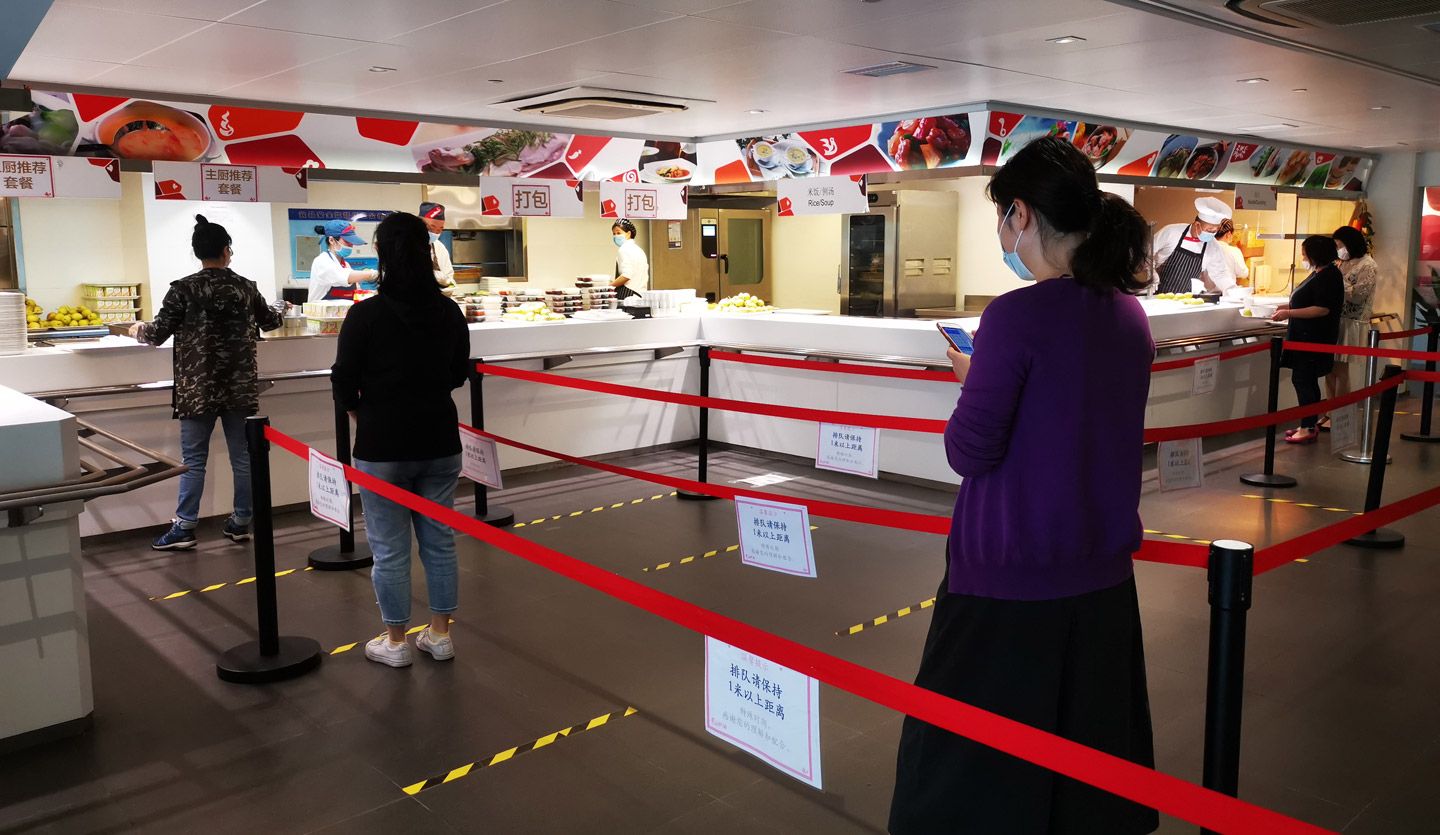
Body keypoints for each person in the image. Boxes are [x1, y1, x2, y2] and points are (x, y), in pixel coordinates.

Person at [889, 137, 1158, 835]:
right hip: (1100, 575)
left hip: (1007, 573)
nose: (1004, 233)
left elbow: (969, 450)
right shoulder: (1128, 314)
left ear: (1021, 214)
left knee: (973, 759)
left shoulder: (1013, 318)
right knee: (1084, 754)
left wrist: (972, 379)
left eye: (1004, 217)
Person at [331, 211, 469, 668]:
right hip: (439, 439)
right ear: (427, 252)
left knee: (389, 548)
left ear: (383, 254)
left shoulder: (365, 314)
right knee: (440, 540)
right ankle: (441, 635)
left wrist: (360, 415)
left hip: (382, 443)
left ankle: (395, 643)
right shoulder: (449, 312)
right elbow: (456, 374)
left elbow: (343, 378)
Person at [128, 215, 285, 550]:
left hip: (196, 388)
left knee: (193, 460)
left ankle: (185, 527)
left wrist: (135, 329)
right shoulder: (246, 287)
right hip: (239, 387)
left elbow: (156, 335)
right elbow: (271, 323)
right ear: (227, 251)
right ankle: (241, 521)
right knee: (242, 457)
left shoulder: (183, 289)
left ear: (198, 253)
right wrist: (279, 307)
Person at [1276, 236, 1345, 445]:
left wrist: (1289, 313)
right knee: (1306, 380)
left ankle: (1307, 426)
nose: (1303, 256)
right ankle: (1308, 423)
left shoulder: (1329, 276)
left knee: (1303, 380)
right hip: (1305, 336)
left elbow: (1322, 309)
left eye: (1305, 252)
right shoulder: (1321, 273)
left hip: (1313, 338)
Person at [1318, 226, 1378, 430]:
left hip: (1351, 322)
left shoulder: (1368, 265)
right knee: (1329, 370)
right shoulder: (1340, 262)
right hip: (1334, 320)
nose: (1338, 250)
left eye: (1339, 245)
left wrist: (1337, 282)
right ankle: (1328, 411)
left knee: (1341, 370)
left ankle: (1341, 413)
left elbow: (1359, 295)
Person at [1150, 196, 1237, 295]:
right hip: (1159, 296)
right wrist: (1151, 274)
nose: (1212, 234)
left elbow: (1220, 274)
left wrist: (1233, 290)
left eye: (1215, 231)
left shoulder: (1213, 246)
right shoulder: (1171, 232)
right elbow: (1146, 253)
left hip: (1187, 300)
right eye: (1209, 230)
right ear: (1197, 225)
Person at [307, 219, 378, 303]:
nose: (351, 245)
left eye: (351, 242)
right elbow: (343, 277)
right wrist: (372, 274)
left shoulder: (346, 265)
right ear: (331, 240)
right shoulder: (322, 261)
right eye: (347, 241)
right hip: (321, 315)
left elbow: (357, 292)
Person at [419, 201, 457, 291]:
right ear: (419, 223)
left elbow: (449, 276)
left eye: (440, 229)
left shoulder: (439, 248)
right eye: (431, 227)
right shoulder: (406, 245)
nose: (436, 233)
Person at [610, 218, 648, 302]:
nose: (616, 236)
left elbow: (627, 275)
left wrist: (609, 286)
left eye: (618, 233)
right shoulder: (639, 250)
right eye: (614, 234)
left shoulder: (624, 249)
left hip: (628, 296)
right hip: (641, 295)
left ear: (628, 234)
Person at [1214, 218, 1250, 285]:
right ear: (1228, 234)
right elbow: (1244, 273)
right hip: (1227, 293)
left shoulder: (1205, 249)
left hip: (1205, 293)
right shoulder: (1234, 251)